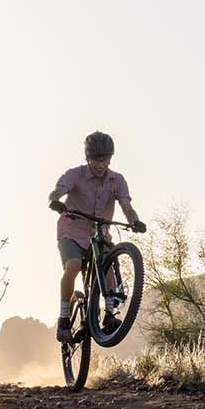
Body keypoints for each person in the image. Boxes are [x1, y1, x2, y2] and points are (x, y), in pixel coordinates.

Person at [48, 131, 145, 341]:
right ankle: (64, 318)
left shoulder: (117, 180)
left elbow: (127, 206)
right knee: (73, 265)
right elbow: (58, 190)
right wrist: (55, 200)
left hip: (99, 234)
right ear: (87, 157)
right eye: (96, 159)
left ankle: (109, 315)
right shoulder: (75, 174)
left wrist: (134, 220)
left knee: (107, 265)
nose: (100, 164)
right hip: (71, 232)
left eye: (105, 159)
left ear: (111, 158)